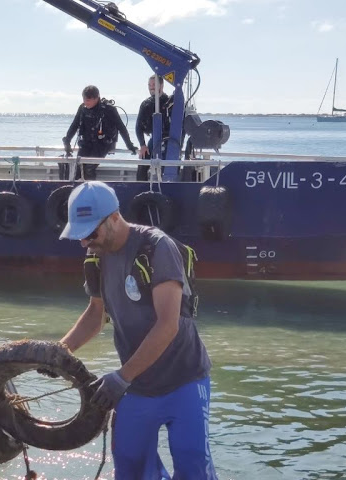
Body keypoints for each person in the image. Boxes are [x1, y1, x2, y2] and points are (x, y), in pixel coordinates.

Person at [58, 181, 217, 479]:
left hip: (184, 381)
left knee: (192, 464)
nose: (84, 242)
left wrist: (121, 377)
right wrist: (59, 353)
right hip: (137, 387)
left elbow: (168, 324)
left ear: (114, 217)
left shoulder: (157, 248)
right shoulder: (95, 256)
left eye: (90, 233)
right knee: (130, 466)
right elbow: (96, 314)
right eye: (79, 235)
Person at [60, 85, 137, 181]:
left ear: (96, 98)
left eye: (88, 100)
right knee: (78, 168)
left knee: (89, 168)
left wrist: (129, 145)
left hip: (103, 144)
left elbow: (121, 127)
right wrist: (67, 141)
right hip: (86, 143)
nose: (86, 102)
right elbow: (74, 125)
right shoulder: (83, 108)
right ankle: (79, 188)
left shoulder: (108, 109)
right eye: (84, 99)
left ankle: (92, 188)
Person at [135, 75, 173, 181]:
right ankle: (141, 187)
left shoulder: (170, 103)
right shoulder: (146, 104)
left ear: (161, 85)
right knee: (142, 164)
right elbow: (138, 127)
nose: (151, 87)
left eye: (154, 84)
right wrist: (142, 145)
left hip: (169, 141)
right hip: (153, 141)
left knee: (169, 166)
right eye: (149, 85)